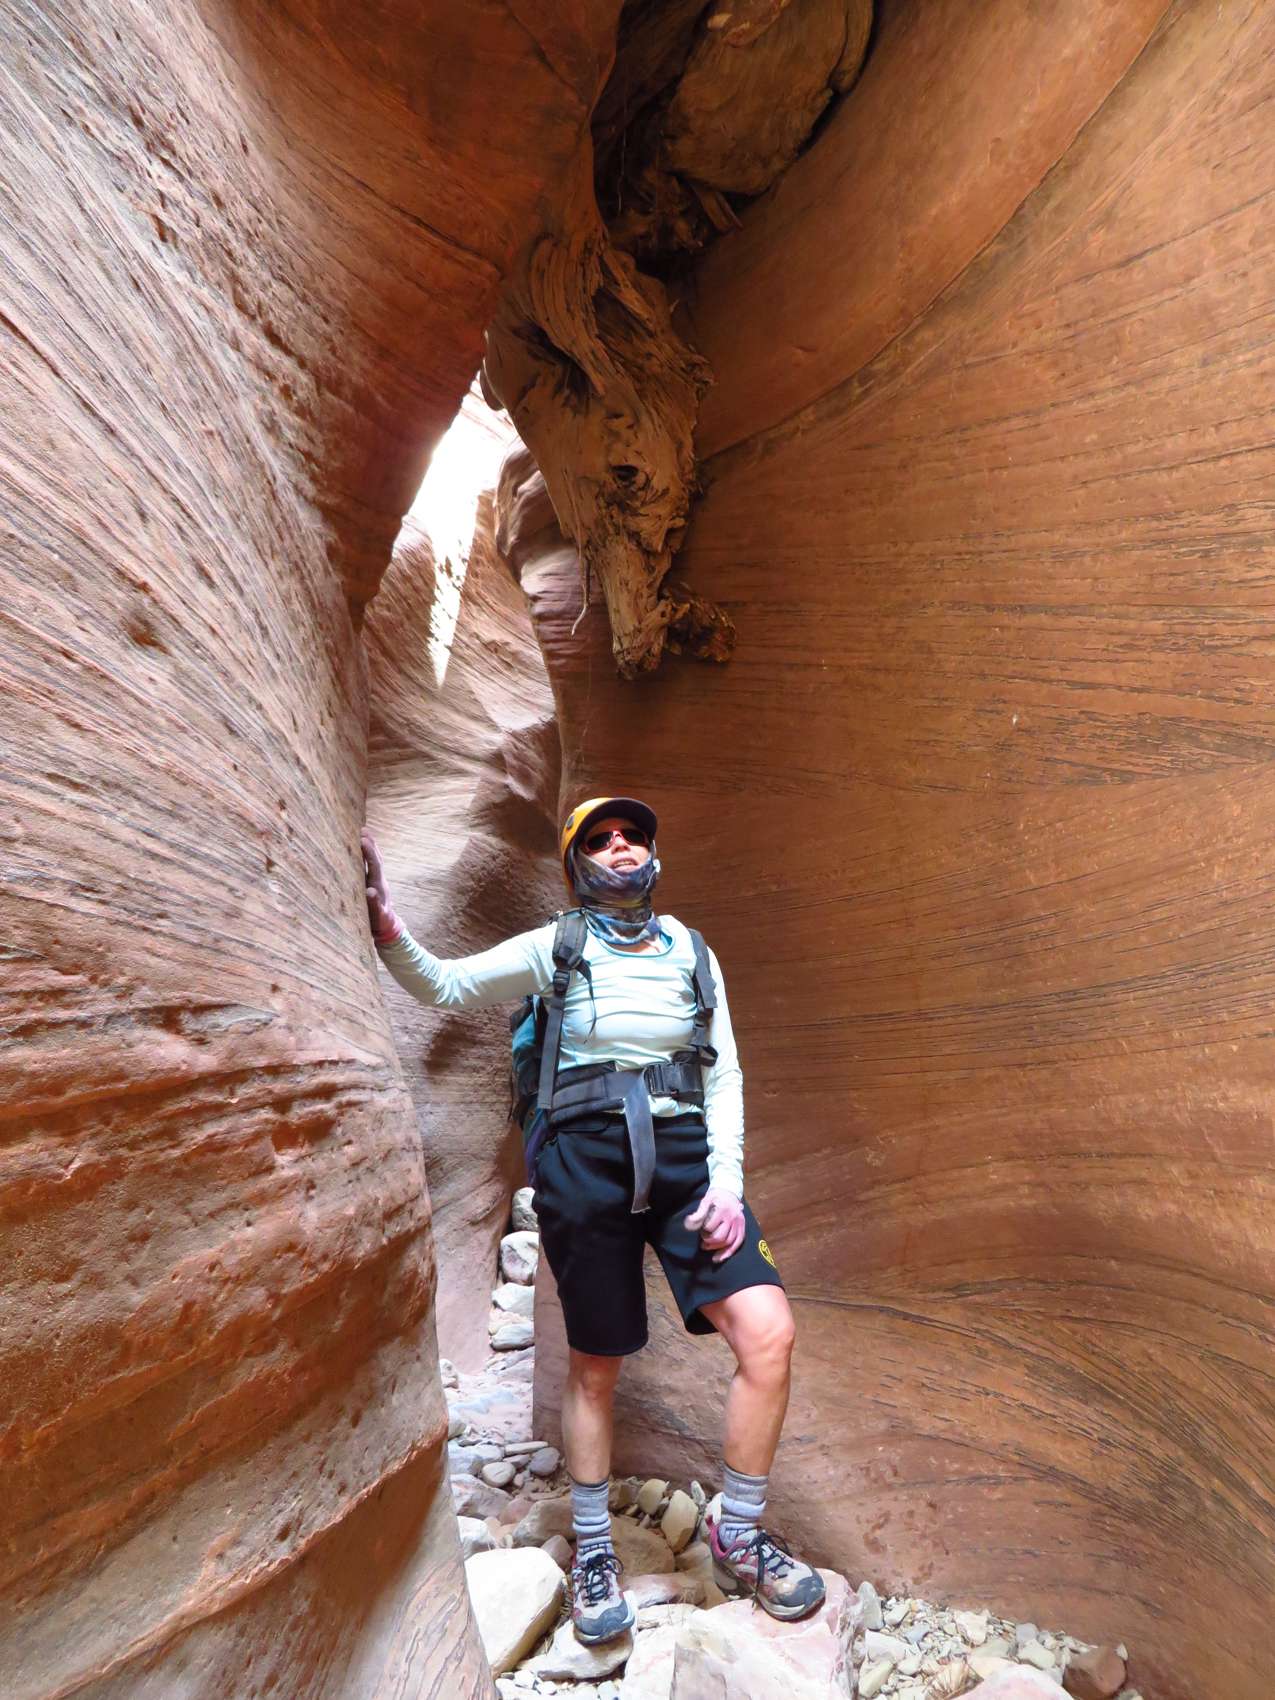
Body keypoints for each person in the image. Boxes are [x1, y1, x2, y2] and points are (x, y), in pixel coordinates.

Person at [361, 796, 824, 1645]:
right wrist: (389, 927)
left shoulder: (691, 951)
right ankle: (596, 1551)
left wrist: (726, 1184)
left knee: (768, 1333)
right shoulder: (557, 945)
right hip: (585, 1159)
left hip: (685, 1164)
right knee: (595, 1368)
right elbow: (448, 984)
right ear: (577, 863)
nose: (619, 847)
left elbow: (722, 1075)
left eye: (632, 836)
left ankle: (738, 1530)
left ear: (651, 855)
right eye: (600, 839)